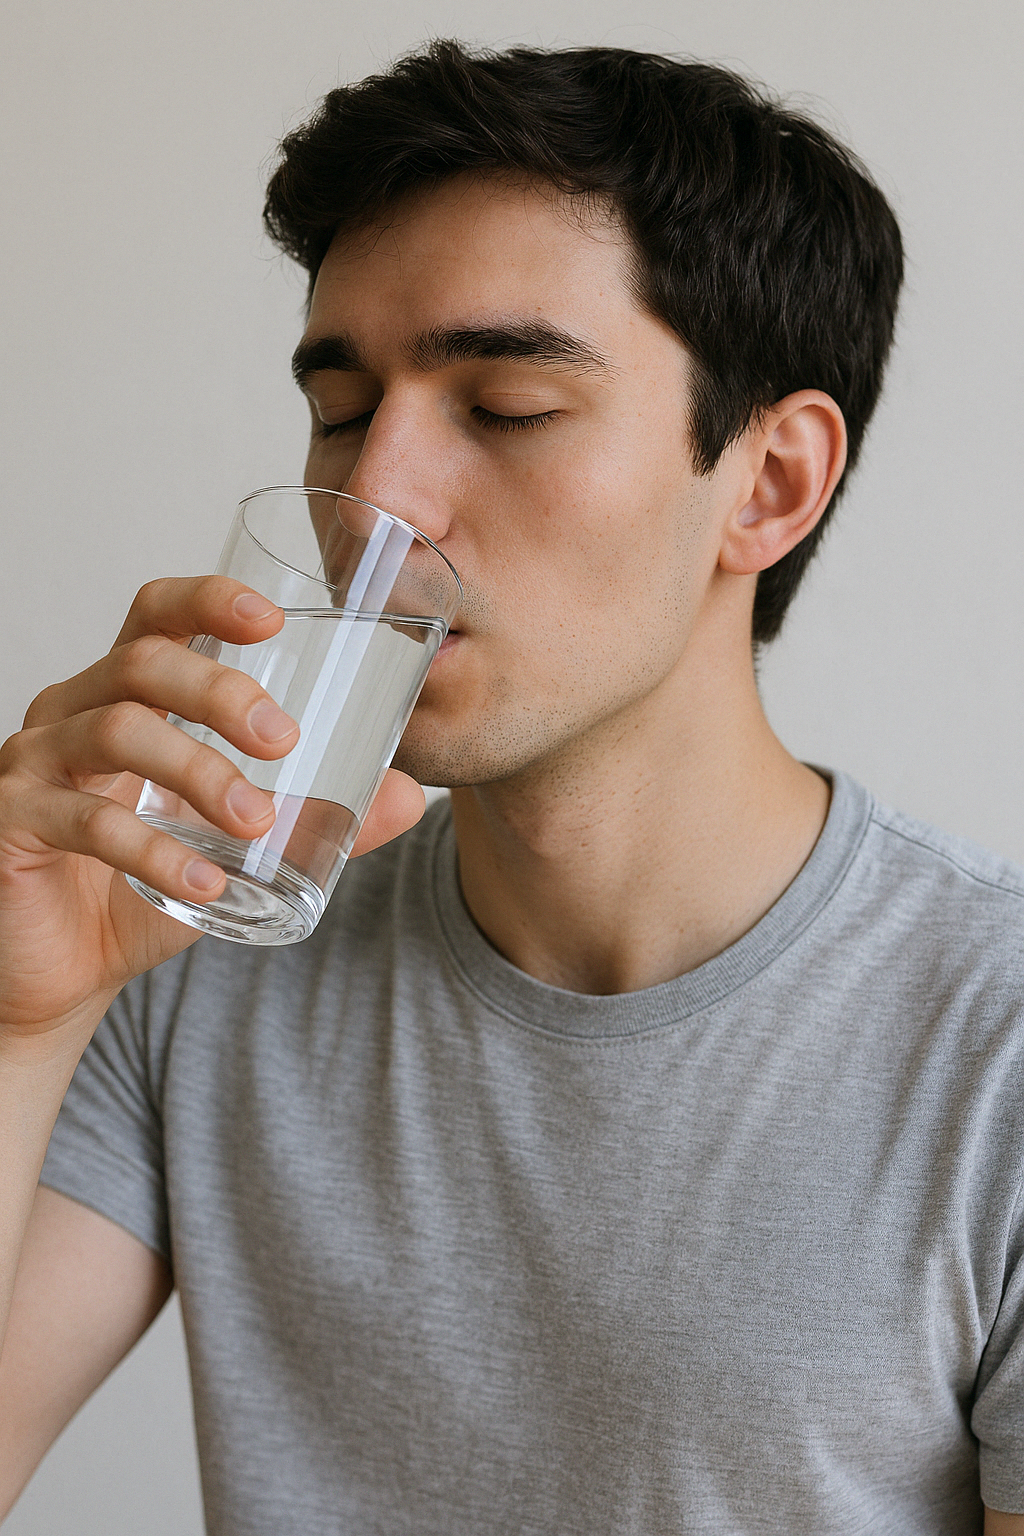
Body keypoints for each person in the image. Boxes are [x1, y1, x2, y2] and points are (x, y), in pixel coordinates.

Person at [0, 39, 1021, 1536]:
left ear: (771, 483)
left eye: (508, 406)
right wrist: (22, 1020)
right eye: (345, 409)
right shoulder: (191, 949)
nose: (381, 501)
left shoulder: (990, 1046)